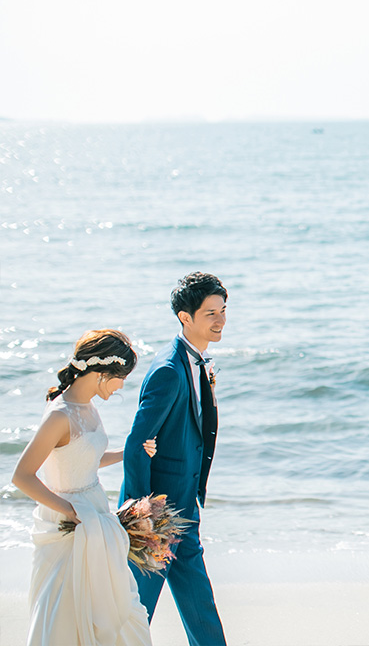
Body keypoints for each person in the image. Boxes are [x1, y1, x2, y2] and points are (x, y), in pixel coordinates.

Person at [12, 329, 158, 645]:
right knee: (67, 607)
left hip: (96, 513)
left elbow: (83, 459)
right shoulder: (59, 414)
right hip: (69, 521)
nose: (122, 385)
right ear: (101, 373)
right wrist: (71, 512)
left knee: (110, 603)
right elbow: (22, 475)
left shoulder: (88, 407)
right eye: (121, 378)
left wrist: (127, 453)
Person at [122, 272, 228, 646]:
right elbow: (137, 444)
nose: (220, 320)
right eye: (210, 313)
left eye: (223, 310)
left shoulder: (196, 362)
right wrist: (141, 515)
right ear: (186, 317)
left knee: (198, 598)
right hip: (159, 515)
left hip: (185, 506)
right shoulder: (168, 370)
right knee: (136, 609)